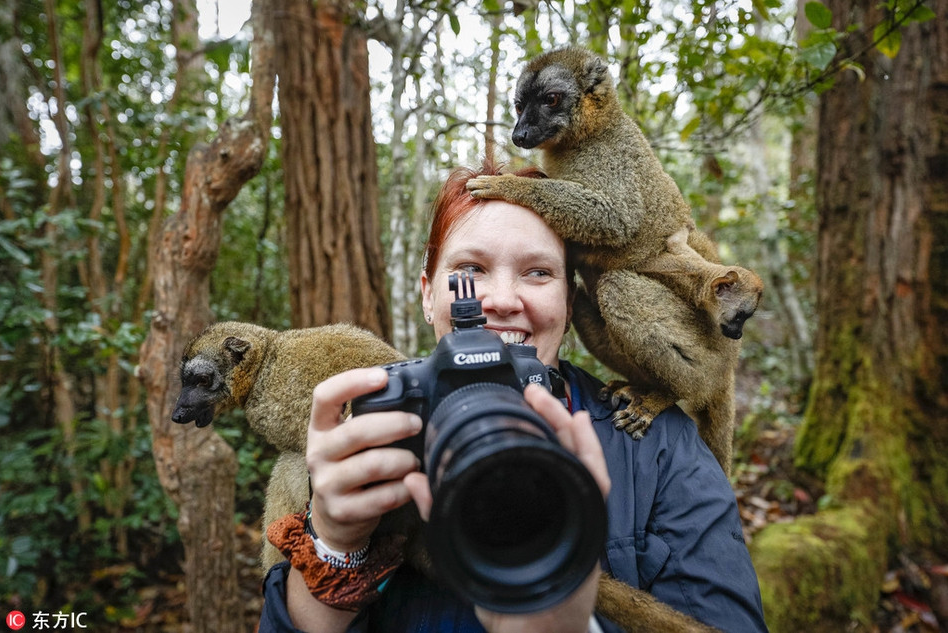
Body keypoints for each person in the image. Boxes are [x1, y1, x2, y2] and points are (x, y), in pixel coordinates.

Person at [258, 161, 769, 633]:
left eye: (538, 272)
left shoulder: (658, 446)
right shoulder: (373, 427)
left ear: (570, 304)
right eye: (470, 271)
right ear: (427, 293)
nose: (501, 300)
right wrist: (334, 547)